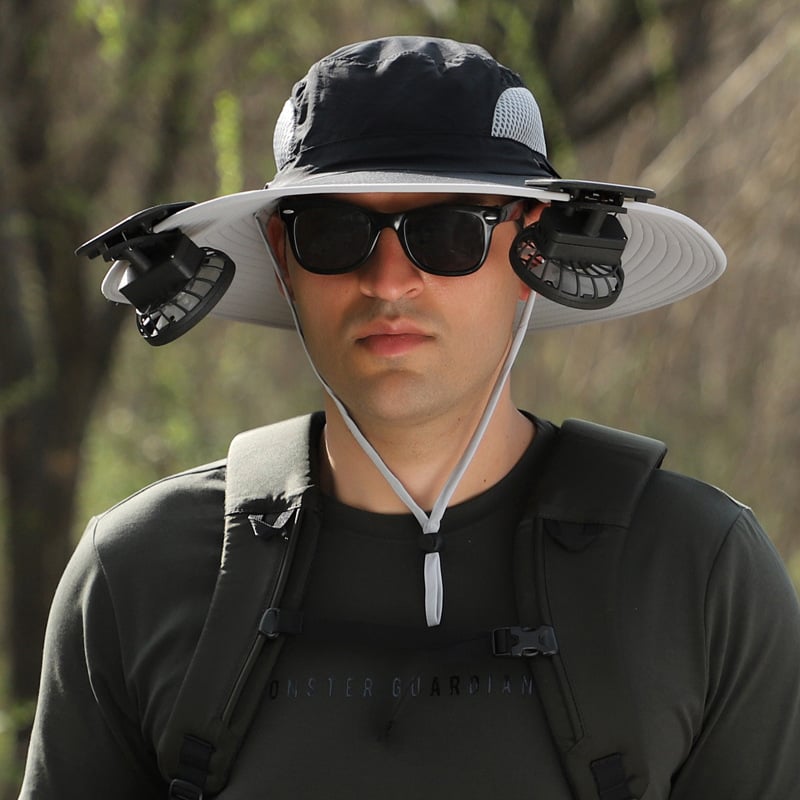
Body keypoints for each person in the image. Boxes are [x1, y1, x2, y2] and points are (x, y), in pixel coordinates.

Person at [19, 36, 800, 800]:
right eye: (334, 232)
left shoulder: (697, 571)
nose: (389, 281)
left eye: (449, 232)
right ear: (283, 256)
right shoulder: (138, 571)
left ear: (533, 248)